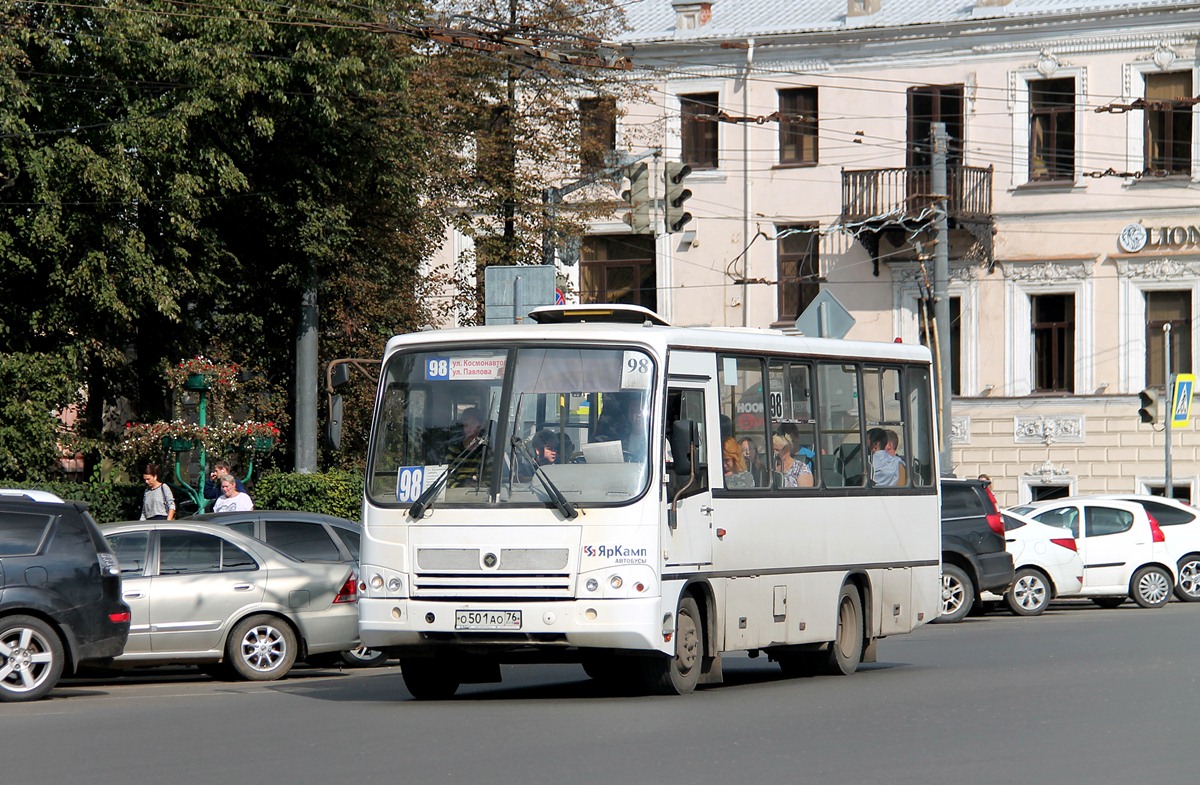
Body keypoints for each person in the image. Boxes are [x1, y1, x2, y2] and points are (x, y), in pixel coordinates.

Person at [446, 407, 486, 487]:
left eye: (473, 423)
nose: (469, 428)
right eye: (466, 425)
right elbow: (448, 478)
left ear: (480, 426)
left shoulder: (486, 451)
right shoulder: (454, 450)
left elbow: (489, 481)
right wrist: (461, 487)